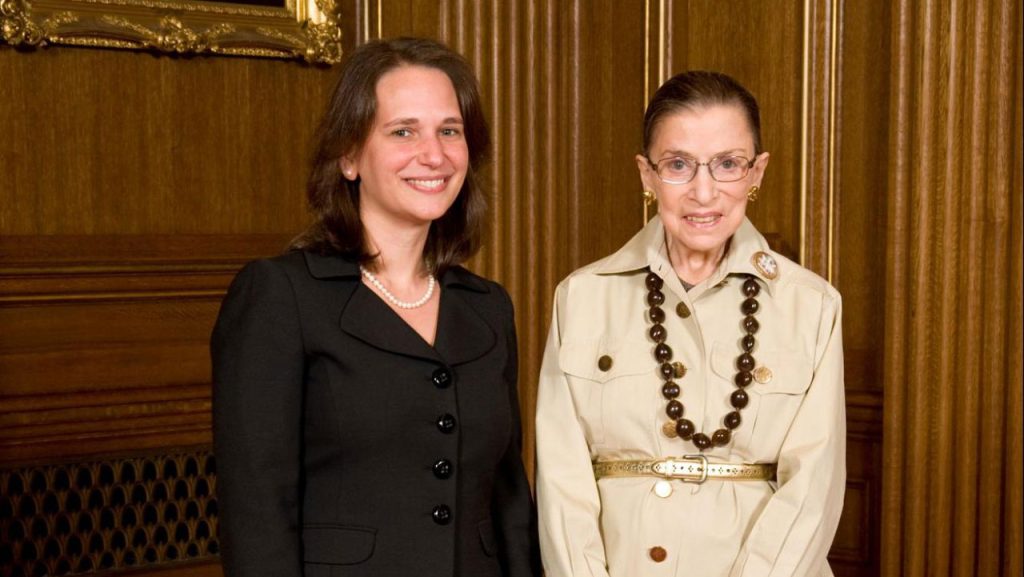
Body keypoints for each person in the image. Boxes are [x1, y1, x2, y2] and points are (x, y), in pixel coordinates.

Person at [212, 37, 539, 577]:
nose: (433, 155)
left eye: (449, 131)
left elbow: (507, 501)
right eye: (403, 131)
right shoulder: (279, 295)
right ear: (349, 156)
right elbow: (256, 512)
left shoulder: (488, 309)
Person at [535, 70, 845, 577]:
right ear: (646, 174)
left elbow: (813, 486)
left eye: (728, 164)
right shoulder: (582, 297)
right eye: (678, 165)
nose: (704, 192)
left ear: (757, 172)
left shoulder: (811, 306)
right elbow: (561, 481)